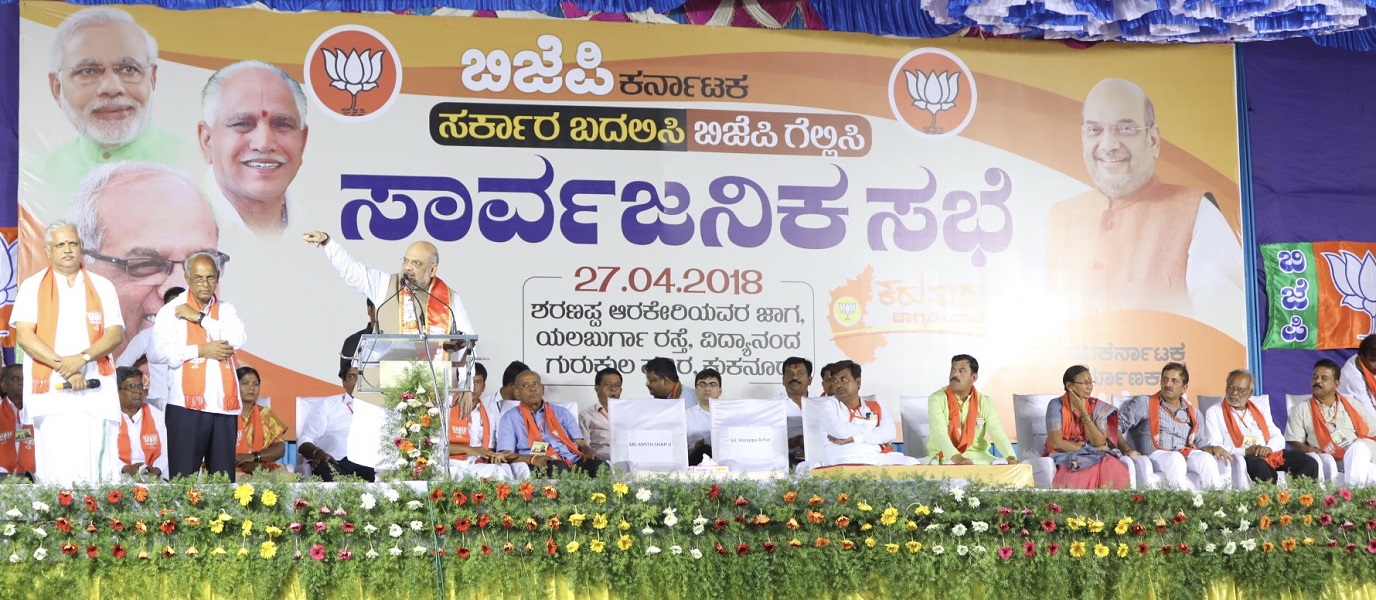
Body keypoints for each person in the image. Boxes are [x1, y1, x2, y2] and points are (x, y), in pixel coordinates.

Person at [1045, 78, 1244, 338]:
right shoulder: (1060, 217)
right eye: (1095, 130)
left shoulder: (1196, 212)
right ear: (1082, 137)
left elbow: (1225, 335)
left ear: (1153, 139)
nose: (1108, 145)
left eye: (1125, 129)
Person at [29, 8, 198, 206]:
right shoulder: (32, 178)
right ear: (56, 87)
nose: (112, 88)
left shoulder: (203, 167)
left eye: (129, 69)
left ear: (152, 78)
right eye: (88, 71)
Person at [70, 161, 222, 359]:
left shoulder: (233, 379)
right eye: (146, 265)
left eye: (203, 264)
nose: (183, 288)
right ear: (82, 268)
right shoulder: (62, 374)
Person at [11, 221, 125, 484]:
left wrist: (82, 359)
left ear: (81, 248)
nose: (68, 250)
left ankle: (101, 523)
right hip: (52, 391)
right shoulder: (32, 286)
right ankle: (57, 523)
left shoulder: (102, 286)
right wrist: (65, 366)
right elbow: (25, 336)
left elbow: (114, 333)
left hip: (95, 390)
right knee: (56, 467)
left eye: (73, 243)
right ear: (48, 251)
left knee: (99, 469)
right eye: (60, 245)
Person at [146, 251, 245, 480]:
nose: (205, 284)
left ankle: (222, 518)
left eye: (210, 277)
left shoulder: (226, 310)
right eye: (198, 278)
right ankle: (182, 519)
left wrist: (200, 318)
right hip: (186, 408)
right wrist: (199, 351)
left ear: (218, 278)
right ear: (188, 279)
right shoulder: (172, 311)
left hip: (223, 408)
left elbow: (237, 339)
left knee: (222, 482)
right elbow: (156, 353)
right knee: (184, 480)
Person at [199, 61, 309, 239]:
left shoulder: (320, 229)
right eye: (242, 124)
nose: (264, 143)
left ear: (302, 141)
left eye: (282, 124)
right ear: (206, 140)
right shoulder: (171, 224)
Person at [302, 231, 476, 337]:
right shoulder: (386, 285)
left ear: (432, 270)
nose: (408, 267)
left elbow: (468, 342)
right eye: (406, 261)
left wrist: (465, 385)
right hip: (387, 390)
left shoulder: (449, 299)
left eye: (416, 263)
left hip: (433, 388)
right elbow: (352, 272)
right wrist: (328, 243)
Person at [1200, 369, 1318, 486]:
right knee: (1259, 466)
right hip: (1243, 457)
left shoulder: (1260, 408)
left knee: (1307, 463)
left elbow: (1277, 435)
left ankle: (1301, 501)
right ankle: (1271, 502)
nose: (1234, 393)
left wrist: (1269, 448)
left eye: (1240, 389)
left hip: (1268, 453)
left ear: (1250, 393)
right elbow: (1215, 445)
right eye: (1230, 387)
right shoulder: (1215, 412)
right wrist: (1245, 451)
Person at [1118, 362, 1222, 489]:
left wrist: (1214, 449)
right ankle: (1180, 506)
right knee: (1175, 459)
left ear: (1184, 388)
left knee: (1206, 459)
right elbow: (1116, 426)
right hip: (1155, 456)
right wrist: (1127, 450)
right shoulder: (1144, 403)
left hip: (1184, 454)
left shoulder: (1194, 413)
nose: (1168, 384)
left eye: (1174, 381)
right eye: (1165, 379)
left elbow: (1199, 443)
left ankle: (1216, 504)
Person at [495, 371, 604, 476]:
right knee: (558, 467)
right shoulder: (510, 418)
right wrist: (532, 459)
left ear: (542, 389)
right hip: (539, 462)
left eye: (536, 383)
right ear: (517, 393)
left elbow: (580, 443)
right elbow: (506, 455)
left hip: (571, 460)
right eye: (526, 385)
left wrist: (588, 450)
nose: (533, 388)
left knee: (601, 467)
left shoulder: (562, 413)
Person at [1286, 359, 1376, 484]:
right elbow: (1294, 443)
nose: (1317, 381)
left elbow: (1373, 431)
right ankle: (1354, 496)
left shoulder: (1351, 403)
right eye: (1315, 377)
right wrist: (1309, 450)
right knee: (1369, 470)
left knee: (1359, 449)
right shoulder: (1301, 409)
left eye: (1324, 378)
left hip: (1364, 453)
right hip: (1333, 458)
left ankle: (1351, 497)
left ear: (1336, 383)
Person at [1044, 365, 1131, 489]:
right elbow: (1056, 442)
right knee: (1086, 466)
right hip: (1066, 453)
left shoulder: (1096, 406)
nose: (1090, 387)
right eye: (1085, 383)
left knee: (1111, 465)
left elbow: (1099, 441)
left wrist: (1082, 410)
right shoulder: (1056, 405)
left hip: (1096, 453)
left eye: (1091, 382)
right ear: (1069, 386)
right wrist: (1087, 449)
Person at [820, 360, 920, 467]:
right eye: (834, 381)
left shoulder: (875, 406)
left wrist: (855, 438)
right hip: (845, 456)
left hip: (877, 456)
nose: (838, 384)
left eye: (844, 379)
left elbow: (890, 433)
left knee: (912, 464)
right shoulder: (827, 406)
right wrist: (872, 429)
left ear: (858, 382)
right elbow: (840, 431)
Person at [926, 354, 1017, 465]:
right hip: (945, 455)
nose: (954, 374)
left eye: (962, 371)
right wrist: (957, 458)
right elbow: (939, 433)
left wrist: (1010, 456)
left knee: (1006, 469)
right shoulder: (937, 399)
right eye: (953, 370)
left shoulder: (984, 402)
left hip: (978, 455)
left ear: (973, 377)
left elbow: (997, 432)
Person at [297, 363, 376, 482]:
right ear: (344, 382)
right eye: (352, 376)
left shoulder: (379, 408)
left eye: (362, 376)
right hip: (335, 463)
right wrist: (318, 453)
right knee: (326, 470)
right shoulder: (327, 405)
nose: (358, 381)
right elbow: (305, 440)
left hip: (368, 464)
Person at [115, 285, 183, 410]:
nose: (176, 310)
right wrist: (136, 387)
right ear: (163, 308)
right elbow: (122, 363)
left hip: (189, 403)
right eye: (171, 306)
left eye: (181, 306)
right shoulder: (149, 335)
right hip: (158, 402)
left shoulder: (198, 336)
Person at [447, 363, 515, 479]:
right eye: (469, 382)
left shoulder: (488, 416)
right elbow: (437, 447)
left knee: (499, 473)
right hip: (450, 464)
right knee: (452, 475)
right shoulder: (445, 408)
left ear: (483, 387)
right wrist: (470, 450)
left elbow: (487, 449)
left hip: (475, 465)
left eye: (478, 382)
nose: (472, 387)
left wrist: (495, 454)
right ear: (458, 384)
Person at [233, 366, 287, 479]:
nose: (251, 388)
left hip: (260, 465)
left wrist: (253, 457)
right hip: (231, 466)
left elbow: (280, 448)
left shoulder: (266, 415)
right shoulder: (225, 415)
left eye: (255, 384)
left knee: (285, 477)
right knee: (242, 480)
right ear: (234, 386)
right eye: (245, 383)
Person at [114, 366, 166, 482]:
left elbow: (165, 452)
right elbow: (105, 454)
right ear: (116, 391)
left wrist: (156, 469)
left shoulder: (156, 414)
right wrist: (125, 468)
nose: (138, 391)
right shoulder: (110, 417)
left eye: (140, 386)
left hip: (152, 478)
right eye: (131, 386)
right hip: (119, 476)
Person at [578, 367, 620, 462]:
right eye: (608, 385)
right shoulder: (586, 415)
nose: (613, 388)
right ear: (597, 389)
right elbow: (584, 447)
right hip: (600, 461)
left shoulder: (628, 414)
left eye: (617, 385)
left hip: (626, 460)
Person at [0, 365, 35, 478]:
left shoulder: (39, 411)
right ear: (3, 385)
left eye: (25, 379)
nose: (22, 383)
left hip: (36, 478)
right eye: (15, 379)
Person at [687, 369, 721, 465]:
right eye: (702, 384)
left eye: (712, 384)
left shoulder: (729, 415)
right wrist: (694, 447)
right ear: (695, 390)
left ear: (720, 390)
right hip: (695, 465)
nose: (707, 388)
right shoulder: (686, 416)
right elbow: (678, 451)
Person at [1338, 335, 1376, 417]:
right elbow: (1368, 412)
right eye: (1373, 360)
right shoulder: (1353, 377)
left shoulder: (1362, 361)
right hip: (1351, 417)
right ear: (1362, 358)